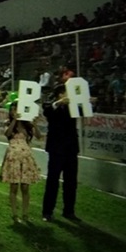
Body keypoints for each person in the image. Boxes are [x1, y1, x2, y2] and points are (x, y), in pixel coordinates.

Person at [41, 84, 81, 222]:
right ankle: (47, 212)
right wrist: (59, 103)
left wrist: (88, 102)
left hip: (71, 149)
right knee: (53, 181)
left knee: (71, 182)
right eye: (66, 93)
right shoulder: (51, 105)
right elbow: (47, 112)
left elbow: (84, 111)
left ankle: (69, 211)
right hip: (56, 149)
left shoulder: (74, 107)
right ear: (60, 94)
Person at [0, 101, 42, 223]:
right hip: (13, 157)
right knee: (14, 186)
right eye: (12, 110)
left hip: (25, 157)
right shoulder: (8, 123)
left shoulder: (27, 126)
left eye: (16, 109)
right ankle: (14, 214)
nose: (14, 112)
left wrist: (35, 125)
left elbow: (39, 136)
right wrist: (14, 121)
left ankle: (25, 214)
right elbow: (7, 134)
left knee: (25, 187)